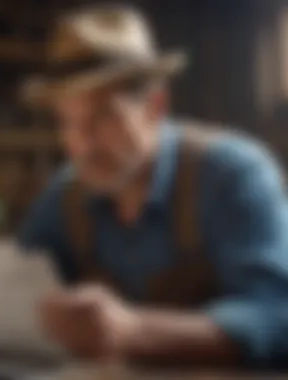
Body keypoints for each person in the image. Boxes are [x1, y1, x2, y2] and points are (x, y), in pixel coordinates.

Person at [18, 4, 288, 368]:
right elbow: (10, 284)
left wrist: (133, 331)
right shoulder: (65, 198)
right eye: (68, 123)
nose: (83, 144)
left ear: (155, 106)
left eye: (103, 117)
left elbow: (276, 314)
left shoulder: (233, 176)